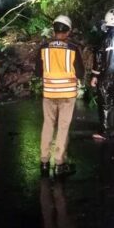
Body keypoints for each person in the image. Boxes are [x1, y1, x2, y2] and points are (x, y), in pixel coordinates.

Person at [36, 15, 85, 177]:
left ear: (54, 29)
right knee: (63, 127)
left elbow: (38, 71)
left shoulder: (44, 47)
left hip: (49, 93)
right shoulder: (72, 48)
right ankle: (59, 163)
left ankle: (44, 161)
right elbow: (80, 72)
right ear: (68, 31)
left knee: (48, 124)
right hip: (67, 94)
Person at [90, 9, 114, 141]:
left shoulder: (104, 39)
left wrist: (94, 76)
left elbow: (99, 59)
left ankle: (105, 131)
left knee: (105, 106)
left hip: (105, 78)